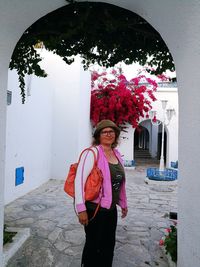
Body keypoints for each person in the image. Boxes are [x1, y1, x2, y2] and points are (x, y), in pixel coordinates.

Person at [74, 119, 128, 267]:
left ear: (116, 135)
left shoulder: (116, 154)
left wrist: (123, 203)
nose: (109, 134)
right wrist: (81, 209)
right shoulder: (91, 153)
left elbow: (120, 182)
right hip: (94, 209)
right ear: (98, 135)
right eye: (105, 132)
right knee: (93, 246)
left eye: (112, 131)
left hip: (110, 209)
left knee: (108, 245)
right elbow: (79, 181)